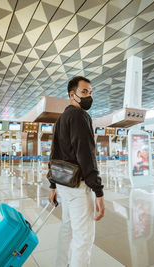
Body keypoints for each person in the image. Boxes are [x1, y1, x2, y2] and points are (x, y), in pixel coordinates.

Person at [48, 76, 105, 267]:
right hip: (78, 186)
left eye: (90, 92)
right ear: (72, 95)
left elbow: (54, 154)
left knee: (68, 230)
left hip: (64, 184)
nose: (89, 96)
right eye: (84, 92)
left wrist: (53, 185)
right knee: (84, 238)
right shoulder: (80, 116)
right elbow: (87, 155)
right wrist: (98, 191)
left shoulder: (61, 118)